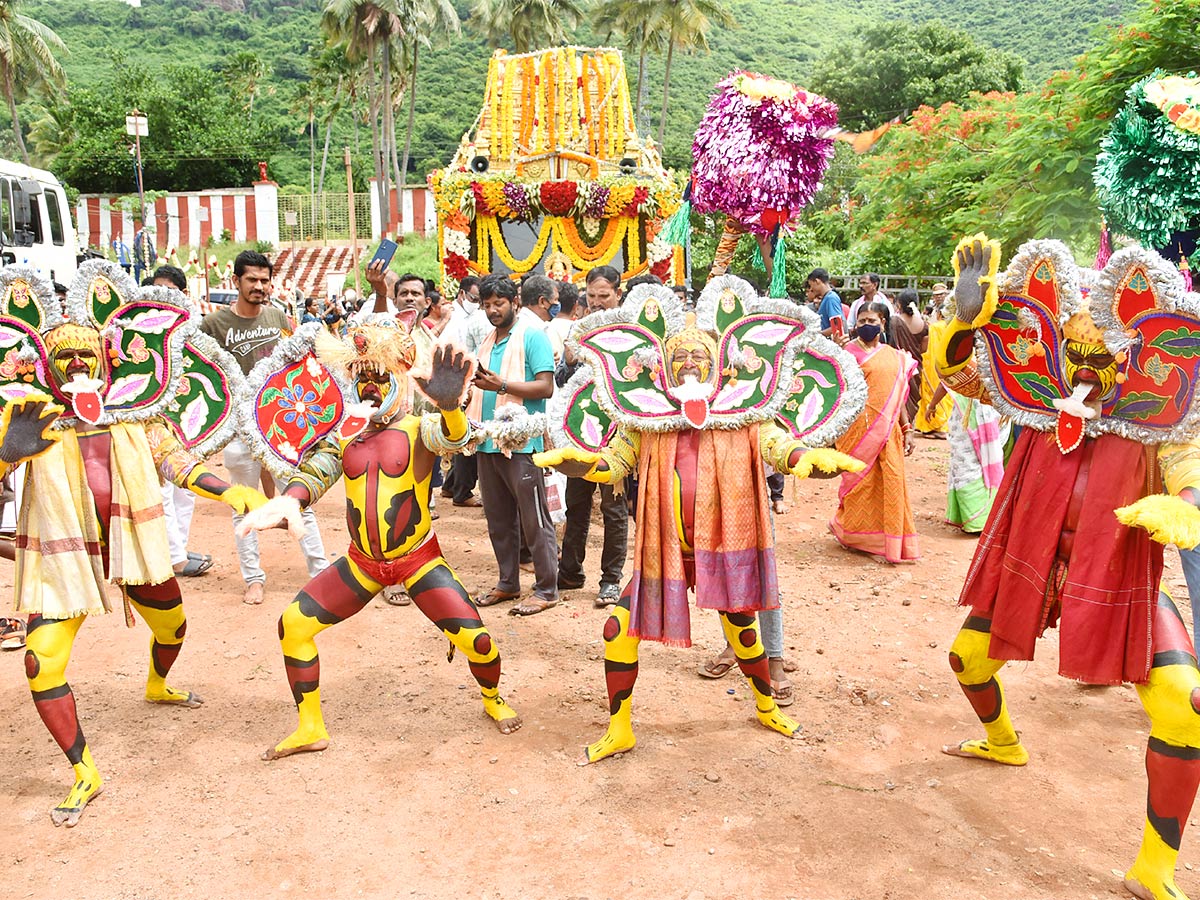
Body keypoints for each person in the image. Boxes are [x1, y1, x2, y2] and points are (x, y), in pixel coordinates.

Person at [536, 280, 864, 762]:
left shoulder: (745, 411)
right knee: (616, 632)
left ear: (717, 364)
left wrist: (807, 459)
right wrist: (575, 461)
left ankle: (766, 705)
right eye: (680, 358)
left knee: (742, 630)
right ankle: (620, 728)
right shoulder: (644, 417)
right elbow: (615, 461)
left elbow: (777, 445)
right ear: (664, 367)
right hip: (662, 549)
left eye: (699, 358)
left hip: (723, 547)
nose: (689, 364)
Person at [3, 264, 266, 826]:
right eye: (65, 357)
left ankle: (157, 683)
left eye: (86, 355)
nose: (77, 364)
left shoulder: (138, 414)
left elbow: (179, 463)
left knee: (173, 628)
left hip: (134, 547)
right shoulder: (24, 417)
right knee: (39, 663)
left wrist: (233, 491)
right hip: (62, 559)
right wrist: (7, 453)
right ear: (45, 363)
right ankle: (84, 773)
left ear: (105, 358)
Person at [238, 316, 521, 759]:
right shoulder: (342, 438)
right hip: (361, 563)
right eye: (362, 377)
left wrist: (450, 407)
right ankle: (310, 726)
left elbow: (457, 438)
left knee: (480, 645)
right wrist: (290, 501)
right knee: (293, 626)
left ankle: (492, 698)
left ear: (399, 380)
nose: (370, 385)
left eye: (379, 377)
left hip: (417, 559)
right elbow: (316, 473)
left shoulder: (419, 429)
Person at [201, 250, 330, 605]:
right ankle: (253, 578)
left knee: (300, 500)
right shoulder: (213, 325)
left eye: (264, 280)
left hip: (283, 428)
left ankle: (321, 575)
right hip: (239, 430)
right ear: (236, 282)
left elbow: (302, 361)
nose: (259, 287)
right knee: (243, 504)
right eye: (252, 280)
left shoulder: (278, 317)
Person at [469, 274, 559, 615]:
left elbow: (545, 387)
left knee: (535, 520)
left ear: (514, 303)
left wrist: (502, 385)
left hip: (522, 443)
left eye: (499, 304)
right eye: (487, 305)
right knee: (499, 520)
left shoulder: (532, 335)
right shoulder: (488, 340)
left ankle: (547, 589)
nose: (492, 311)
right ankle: (508, 583)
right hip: (489, 441)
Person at [829, 301, 919, 563]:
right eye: (862, 321)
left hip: (890, 433)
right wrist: (836, 352)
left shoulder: (894, 356)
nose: (867, 326)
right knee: (859, 485)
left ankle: (886, 540)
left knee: (891, 483)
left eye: (872, 321)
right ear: (854, 324)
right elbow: (836, 390)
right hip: (857, 433)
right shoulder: (847, 353)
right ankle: (854, 536)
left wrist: (908, 428)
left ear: (883, 323)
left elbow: (899, 396)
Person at [151, 264, 211, 578]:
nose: (163, 296)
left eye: (170, 290)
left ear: (184, 294)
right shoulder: (141, 323)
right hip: (154, 418)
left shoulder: (196, 326)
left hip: (188, 418)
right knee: (161, 486)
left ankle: (178, 551)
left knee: (186, 487)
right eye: (157, 289)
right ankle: (173, 557)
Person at [888, 288, 928, 421]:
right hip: (916, 368)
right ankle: (909, 424)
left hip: (898, 367)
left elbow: (891, 345)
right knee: (912, 399)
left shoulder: (894, 322)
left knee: (898, 399)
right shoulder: (923, 324)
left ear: (899, 304)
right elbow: (924, 348)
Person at [807, 268, 844, 339]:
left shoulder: (831, 298)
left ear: (817, 281)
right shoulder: (826, 298)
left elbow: (837, 326)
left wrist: (817, 335)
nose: (811, 289)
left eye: (811, 285)